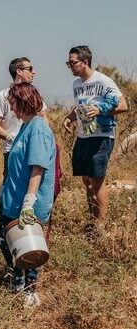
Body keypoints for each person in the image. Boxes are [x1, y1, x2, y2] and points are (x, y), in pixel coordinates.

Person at [0, 83, 56, 307]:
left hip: (27, 202)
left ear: (23, 101)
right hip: (12, 200)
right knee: (5, 242)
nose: (12, 110)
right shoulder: (24, 126)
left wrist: (29, 201)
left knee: (29, 248)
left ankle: (30, 291)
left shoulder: (38, 127)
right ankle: (17, 282)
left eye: (13, 104)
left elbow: (38, 167)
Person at [61, 45, 128, 227]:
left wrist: (100, 109)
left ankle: (99, 227)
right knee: (86, 181)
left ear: (85, 62)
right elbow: (80, 106)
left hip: (102, 136)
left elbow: (123, 105)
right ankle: (91, 221)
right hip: (84, 136)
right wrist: (70, 117)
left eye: (72, 62)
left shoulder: (103, 81)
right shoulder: (77, 84)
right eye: (68, 63)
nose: (70, 66)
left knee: (97, 182)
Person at [0, 57, 48, 179]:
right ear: (19, 71)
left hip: (35, 148)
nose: (34, 72)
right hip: (13, 150)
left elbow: (43, 117)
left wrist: (45, 140)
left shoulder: (34, 93)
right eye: (30, 69)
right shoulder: (3, 95)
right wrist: (11, 138)